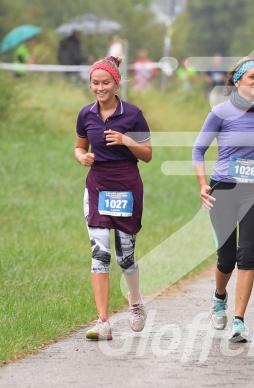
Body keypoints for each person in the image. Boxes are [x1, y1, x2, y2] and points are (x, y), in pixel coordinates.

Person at [193, 57, 254, 343]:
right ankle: (219, 296)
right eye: (252, 77)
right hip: (223, 189)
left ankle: (239, 321)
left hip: (253, 190)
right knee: (226, 258)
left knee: (247, 254)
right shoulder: (220, 113)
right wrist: (203, 184)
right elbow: (198, 151)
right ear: (237, 81)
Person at [75, 56, 152, 340]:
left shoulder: (133, 114)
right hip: (96, 187)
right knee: (100, 254)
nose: (100, 87)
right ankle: (103, 320)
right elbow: (79, 146)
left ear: (116, 82)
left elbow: (148, 154)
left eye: (105, 82)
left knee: (125, 257)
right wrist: (82, 157)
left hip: (126, 187)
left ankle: (135, 304)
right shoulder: (86, 114)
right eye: (95, 83)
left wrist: (126, 140)